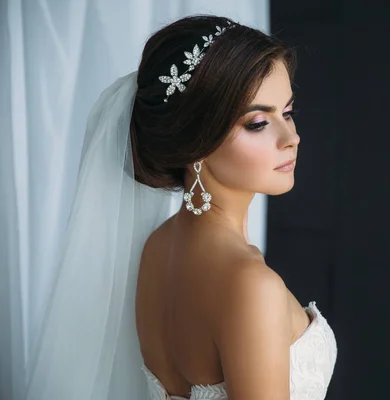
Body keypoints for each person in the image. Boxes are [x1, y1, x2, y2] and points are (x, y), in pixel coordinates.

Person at [24, 15, 336, 400]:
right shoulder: (250, 285)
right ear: (197, 140)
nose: (291, 138)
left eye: (286, 112)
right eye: (258, 122)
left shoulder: (157, 247)